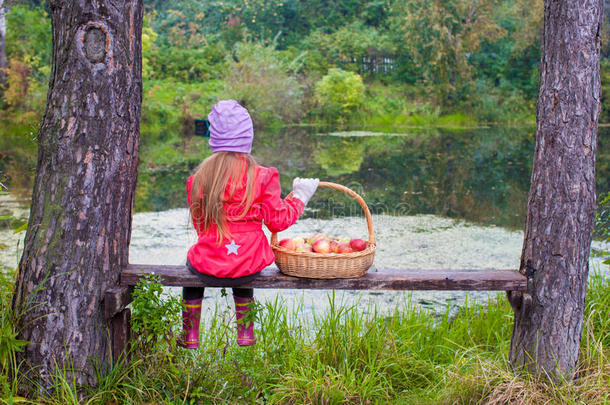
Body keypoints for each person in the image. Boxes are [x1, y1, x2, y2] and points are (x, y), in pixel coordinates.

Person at [182, 100, 318, 348]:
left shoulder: (197, 180)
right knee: (243, 266)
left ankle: (189, 336)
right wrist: (300, 196)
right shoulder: (263, 176)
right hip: (249, 263)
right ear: (248, 137)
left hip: (208, 262)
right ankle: (245, 335)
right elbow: (278, 221)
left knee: (190, 267)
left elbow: (201, 227)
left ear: (213, 138)